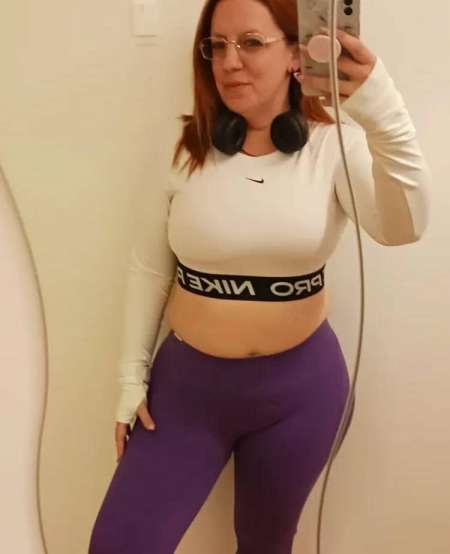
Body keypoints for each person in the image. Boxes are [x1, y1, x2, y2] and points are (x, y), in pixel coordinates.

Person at [88, 0, 431, 552]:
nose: (229, 62)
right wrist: (131, 378)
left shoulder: (332, 147)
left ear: (296, 53)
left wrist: (382, 113)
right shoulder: (183, 147)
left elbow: (402, 228)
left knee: (265, 544)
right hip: (185, 395)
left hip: (299, 394)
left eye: (250, 42)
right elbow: (148, 268)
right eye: (217, 45)